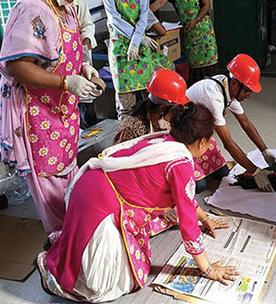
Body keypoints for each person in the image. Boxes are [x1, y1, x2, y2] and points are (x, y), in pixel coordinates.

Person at [36, 102, 239, 302]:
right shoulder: (181, 163)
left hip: (88, 186)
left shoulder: (165, 140)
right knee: (108, 284)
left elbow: (184, 197)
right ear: (202, 141)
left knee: (158, 225)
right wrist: (208, 268)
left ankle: (66, 246)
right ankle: (54, 273)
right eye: (211, 141)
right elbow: (187, 223)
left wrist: (205, 219)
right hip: (101, 204)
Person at [0, 0, 98, 233]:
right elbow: (16, 66)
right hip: (40, 120)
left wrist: (82, 67)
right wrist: (65, 82)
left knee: (70, 192)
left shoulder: (67, 8)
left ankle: (72, 244)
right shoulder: (32, 9)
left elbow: (55, 57)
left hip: (64, 117)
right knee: (55, 206)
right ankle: (61, 253)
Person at [113, 68, 227, 193]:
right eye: (176, 109)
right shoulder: (132, 129)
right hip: (139, 178)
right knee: (194, 185)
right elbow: (122, 168)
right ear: (162, 109)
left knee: (208, 174)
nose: (178, 113)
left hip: (160, 164)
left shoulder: (164, 121)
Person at [186, 54, 276, 193]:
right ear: (235, 83)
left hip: (199, 135)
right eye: (247, 91)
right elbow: (228, 143)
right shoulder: (214, 98)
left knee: (222, 172)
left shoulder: (226, 86)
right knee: (199, 186)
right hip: (183, 138)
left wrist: (265, 151)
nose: (249, 95)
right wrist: (255, 172)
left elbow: (245, 122)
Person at [103, 0, 172, 120]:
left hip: (140, 43)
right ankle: (127, 136)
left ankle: (150, 134)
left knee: (151, 99)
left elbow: (143, 15)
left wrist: (137, 41)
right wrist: (137, 40)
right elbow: (115, 19)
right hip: (120, 47)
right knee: (126, 105)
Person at [150, 0, 218, 85]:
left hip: (204, 33)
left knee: (209, 68)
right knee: (195, 72)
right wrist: (144, 12)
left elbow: (207, 5)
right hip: (189, 35)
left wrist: (195, 21)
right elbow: (159, 3)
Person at [73, 0, 102, 128]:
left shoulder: (79, 3)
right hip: (61, 67)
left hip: (80, 52)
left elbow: (87, 24)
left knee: (86, 102)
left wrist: (87, 37)